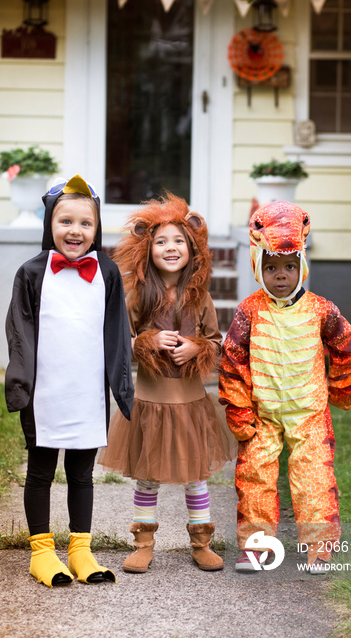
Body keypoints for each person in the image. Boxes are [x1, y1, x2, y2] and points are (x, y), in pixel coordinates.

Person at [219, 200, 351, 574]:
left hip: (309, 413)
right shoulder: (249, 311)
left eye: (289, 266)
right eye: (270, 267)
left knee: (313, 475)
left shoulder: (321, 309)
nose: (280, 275)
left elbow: (345, 345)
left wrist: (342, 387)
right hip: (262, 414)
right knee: (254, 476)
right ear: (257, 268)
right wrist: (239, 409)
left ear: (302, 266)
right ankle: (257, 547)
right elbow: (233, 361)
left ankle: (320, 547)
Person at [5, 174, 134, 587]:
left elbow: (117, 332)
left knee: (82, 474)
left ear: (96, 229)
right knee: (40, 472)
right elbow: (19, 331)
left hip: (87, 393)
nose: (75, 231)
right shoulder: (31, 273)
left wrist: (121, 387)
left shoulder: (107, 273)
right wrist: (21, 384)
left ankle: (81, 549)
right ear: (49, 224)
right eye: (65, 221)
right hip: (44, 394)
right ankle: (42, 552)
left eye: (85, 223)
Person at [98, 193, 234, 573]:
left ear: (193, 249)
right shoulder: (138, 295)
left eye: (178, 241)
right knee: (147, 476)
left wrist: (196, 348)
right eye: (161, 242)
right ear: (147, 249)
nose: (171, 248)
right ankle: (143, 542)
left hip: (189, 403)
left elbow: (215, 341)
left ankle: (201, 541)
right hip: (150, 402)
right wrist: (146, 341)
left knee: (195, 476)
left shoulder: (201, 297)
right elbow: (119, 341)